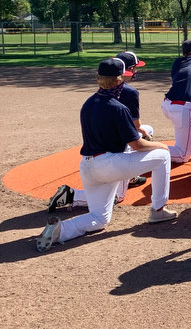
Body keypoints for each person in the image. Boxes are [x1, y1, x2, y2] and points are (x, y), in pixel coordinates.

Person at [36, 58, 176, 253]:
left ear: (98, 78)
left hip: (88, 166)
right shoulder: (118, 108)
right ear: (119, 80)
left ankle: (61, 230)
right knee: (162, 156)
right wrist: (161, 145)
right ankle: (158, 210)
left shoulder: (88, 103)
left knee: (99, 219)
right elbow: (136, 144)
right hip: (109, 164)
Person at [47, 51, 152, 211]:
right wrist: (147, 136)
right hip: (117, 147)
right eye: (134, 68)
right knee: (117, 196)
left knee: (142, 132)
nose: (136, 71)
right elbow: (135, 128)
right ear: (126, 70)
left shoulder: (98, 94)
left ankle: (129, 177)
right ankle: (72, 195)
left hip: (99, 144)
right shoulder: (130, 92)